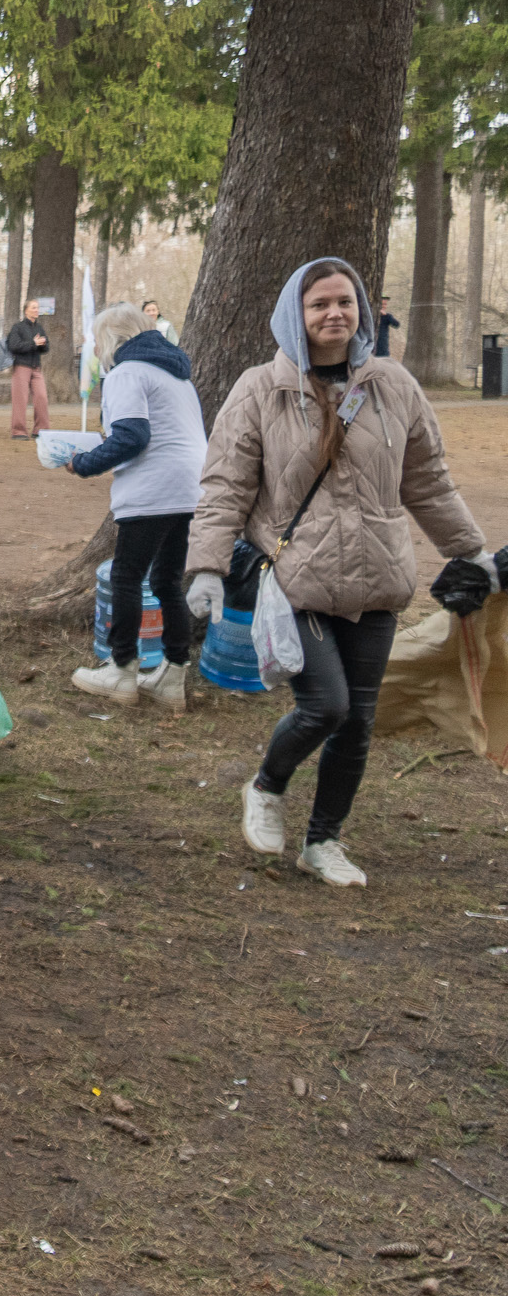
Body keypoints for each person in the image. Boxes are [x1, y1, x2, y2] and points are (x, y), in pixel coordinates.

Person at [186, 257, 489, 890]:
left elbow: (427, 480)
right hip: (300, 579)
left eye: (345, 302)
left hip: (379, 578)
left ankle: (323, 841)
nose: (334, 314)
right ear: (294, 314)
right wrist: (207, 568)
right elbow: (224, 488)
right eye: (319, 303)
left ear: (363, 311)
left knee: (359, 722)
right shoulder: (260, 390)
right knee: (326, 706)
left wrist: (471, 551)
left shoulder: (393, 386)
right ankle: (267, 786)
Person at [58, 304, 206, 708]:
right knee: (167, 582)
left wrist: (83, 463)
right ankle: (173, 676)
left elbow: (132, 436)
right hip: (191, 485)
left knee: (126, 576)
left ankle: (121, 670)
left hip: (153, 486)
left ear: (110, 340)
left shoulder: (126, 372)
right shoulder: (176, 374)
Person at [5, 299, 50, 438]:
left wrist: (42, 344)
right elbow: (14, 346)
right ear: (26, 310)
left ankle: (41, 430)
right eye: (34, 308)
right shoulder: (17, 328)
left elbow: (47, 347)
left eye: (38, 308)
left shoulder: (39, 328)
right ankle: (18, 431)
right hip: (21, 367)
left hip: (36, 368)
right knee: (20, 400)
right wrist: (33, 343)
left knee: (42, 397)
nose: (37, 310)